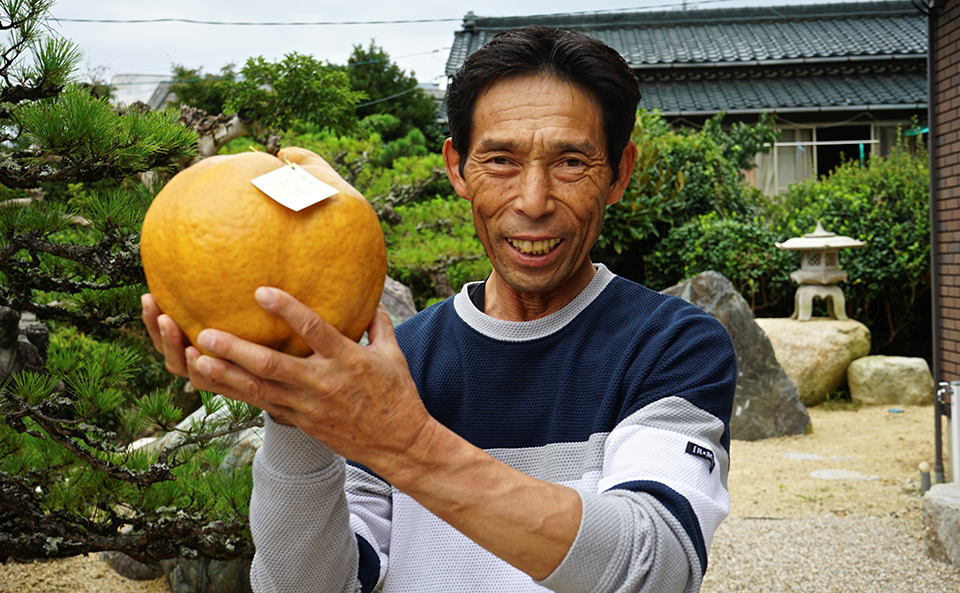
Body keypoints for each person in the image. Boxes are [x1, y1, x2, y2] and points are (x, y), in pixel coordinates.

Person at [142, 26, 737, 593]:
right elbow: (311, 585)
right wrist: (295, 408)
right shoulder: (399, 361)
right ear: (457, 168)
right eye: (500, 160)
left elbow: (654, 567)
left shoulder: (672, 346)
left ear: (618, 174)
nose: (532, 201)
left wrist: (404, 442)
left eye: (571, 162)